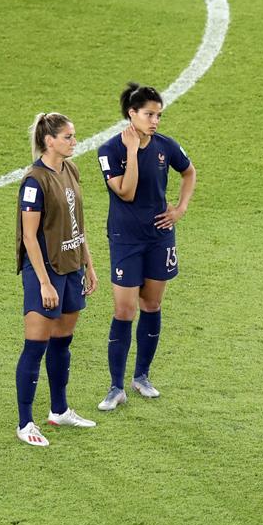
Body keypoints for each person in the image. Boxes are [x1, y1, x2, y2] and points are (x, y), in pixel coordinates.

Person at [95, 83, 197, 411]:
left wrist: (180, 209)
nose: (155, 121)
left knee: (151, 304)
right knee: (124, 310)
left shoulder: (167, 145)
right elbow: (126, 192)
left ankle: (141, 377)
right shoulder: (109, 150)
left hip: (159, 237)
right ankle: (116, 387)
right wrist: (131, 151)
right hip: (125, 239)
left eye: (158, 115)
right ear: (132, 113)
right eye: (149, 114)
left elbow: (189, 172)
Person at [14, 112, 99, 446]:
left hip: (72, 266)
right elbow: (29, 236)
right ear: (49, 141)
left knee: (63, 341)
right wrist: (44, 283)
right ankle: (25, 423)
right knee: (36, 345)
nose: (74, 141)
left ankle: (59, 410)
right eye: (68, 137)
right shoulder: (34, 181)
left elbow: (79, 223)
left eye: (73, 135)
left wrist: (88, 264)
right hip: (46, 271)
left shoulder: (70, 169)